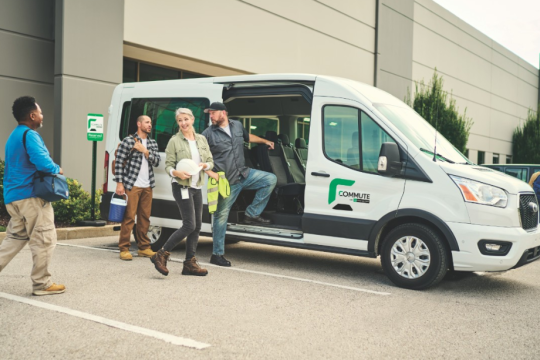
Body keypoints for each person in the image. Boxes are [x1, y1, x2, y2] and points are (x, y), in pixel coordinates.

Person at [0, 96, 65, 296]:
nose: (42, 115)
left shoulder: (14, 136)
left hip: (13, 197)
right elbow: (43, 162)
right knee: (44, 238)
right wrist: (58, 169)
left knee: (14, 239)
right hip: (31, 197)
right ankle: (42, 284)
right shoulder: (30, 134)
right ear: (32, 115)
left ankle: (41, 282)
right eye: (40, 112)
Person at [202, 102, 277, 267]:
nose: (211, 116)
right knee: (221, 217)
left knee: (270, 179)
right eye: (210, 114)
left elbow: (247, 137)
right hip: (227, 182)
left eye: (213, 113)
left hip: (244, 173)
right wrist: (210, 173)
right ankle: (217, 254)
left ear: (223, 113)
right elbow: (199, 157)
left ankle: (251, 213)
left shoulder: (236, 125)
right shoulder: (208, 134)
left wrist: (265, 141)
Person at [150, 108, 214, 276]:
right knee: (189, 224)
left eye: (186, 119)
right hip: (181, 186)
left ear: (192, 119)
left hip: (196, 186)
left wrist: (204, 166)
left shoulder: (201, 139)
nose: (183, 123)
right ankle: (161, 254)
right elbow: (168, 165)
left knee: (197, 226)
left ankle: (189, 264)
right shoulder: (174, 141)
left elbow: (210, 161)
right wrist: (176, 173)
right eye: (180, 120)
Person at [114, 115, 160, 260]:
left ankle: (144, 247)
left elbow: (157, 161)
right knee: (129, 218)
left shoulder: (152, 143)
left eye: (150, 123)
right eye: (147, 122)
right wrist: (119, 183)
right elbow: (119, 162)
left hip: (148, 185)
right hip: (132, 184)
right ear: (139, 124)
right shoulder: (128, 141)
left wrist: (145, 151)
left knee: (144, 218)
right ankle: (124, 248)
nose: (150, 125)